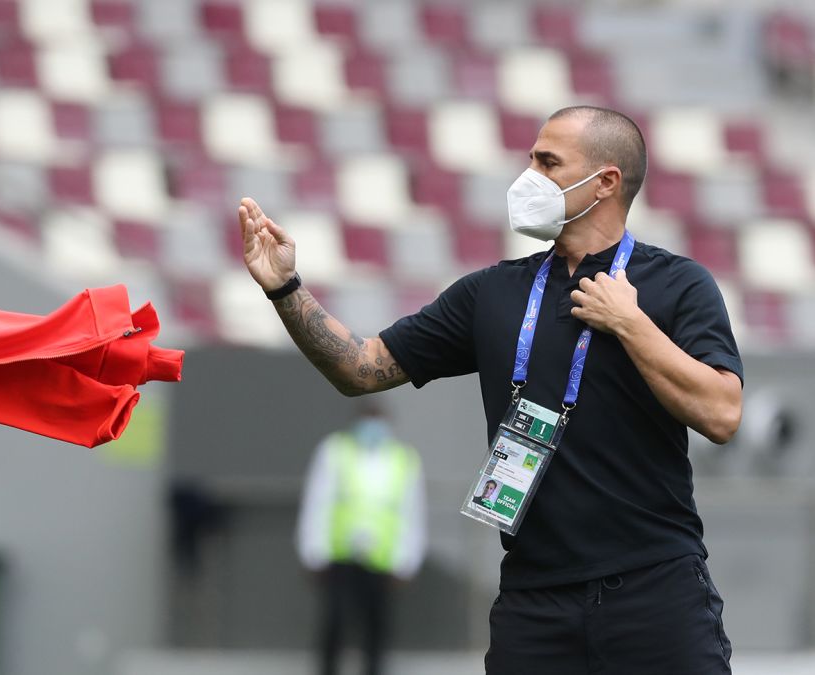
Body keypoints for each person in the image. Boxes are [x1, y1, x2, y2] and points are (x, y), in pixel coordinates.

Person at [238, 106, 742, 674]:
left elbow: (722, 414)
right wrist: (285, 287)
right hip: (534, 600)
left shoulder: (677, 284)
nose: (527, 175)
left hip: (655, 589)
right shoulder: (492, 293)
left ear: (606, 182)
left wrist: (630, 323)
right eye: (529, 158)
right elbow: (360, 367)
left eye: (547, 162)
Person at [296, 403, 427, 675]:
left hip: (381, 559)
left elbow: (411, 511)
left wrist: (407, 560)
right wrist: (312, 550)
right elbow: (317, 501)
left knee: (377, 628)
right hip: (340, 555)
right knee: (336, 623)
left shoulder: (403, 458)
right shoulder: (335, 450)